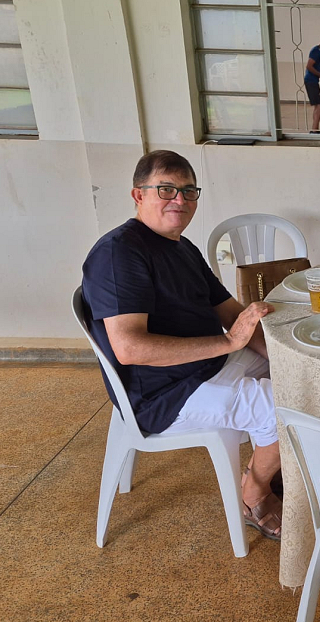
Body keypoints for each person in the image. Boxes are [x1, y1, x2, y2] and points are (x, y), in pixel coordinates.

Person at [81, 150, 283, 540]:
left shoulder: (181, 246)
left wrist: (280, 358)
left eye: (189, 191)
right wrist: (228, 341)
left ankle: (274, 460)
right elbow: (129, 348)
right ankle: (253, 493)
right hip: (165, 392)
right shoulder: (119, 253)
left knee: (298, 377)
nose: (180, 200)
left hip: (209, 363)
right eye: (166, 189)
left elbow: (229, 311)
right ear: (138, 195)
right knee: (283, 409)